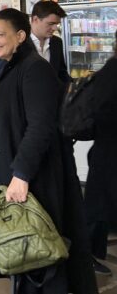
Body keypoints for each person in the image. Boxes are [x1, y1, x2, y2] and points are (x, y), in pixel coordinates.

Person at [0, 8, 96, 294]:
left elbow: (41, 126)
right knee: (22, 248)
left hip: (33, 179)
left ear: (21, 35)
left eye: (0, 34)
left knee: (39, 249)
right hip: (11, 174)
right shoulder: (5, 66)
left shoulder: (35, 68)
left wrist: (21, 174)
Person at [84, 30, 117, 276]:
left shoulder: (108, 71)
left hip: (106, 151)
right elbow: (102, 112)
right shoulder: (111, 73)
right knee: (98, 207)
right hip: (109, 152)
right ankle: (87, 257)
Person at [30, 0, 70, 85]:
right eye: (51, 23)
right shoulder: (19, 43)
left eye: (57, 24)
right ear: (35, 19)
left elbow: (62, 74)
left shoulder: (57, 42)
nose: (55, 28)